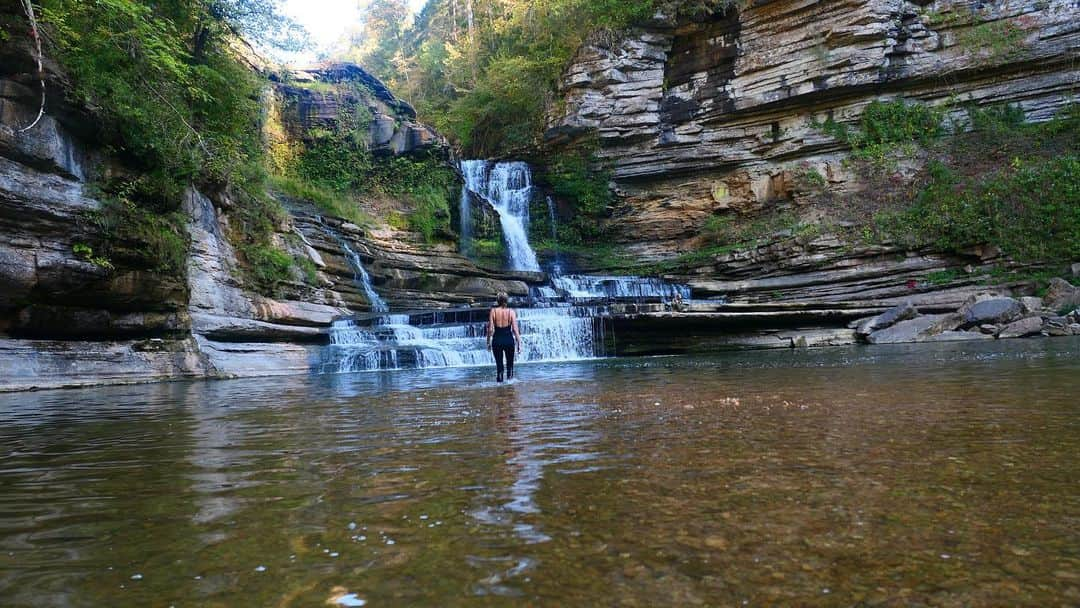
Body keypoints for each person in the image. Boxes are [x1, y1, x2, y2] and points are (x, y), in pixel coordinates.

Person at [486, 292, 522, 382]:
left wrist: (488, 342)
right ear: (507, 300)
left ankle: (500, 390)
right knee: (510, 366)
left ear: (497, 301)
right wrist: (519, 343)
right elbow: (515, 329)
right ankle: (509, 389)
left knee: (499, 366)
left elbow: (490, 329)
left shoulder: (493, 311)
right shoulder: (511, 312)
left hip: (497, 340)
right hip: (509, 340)